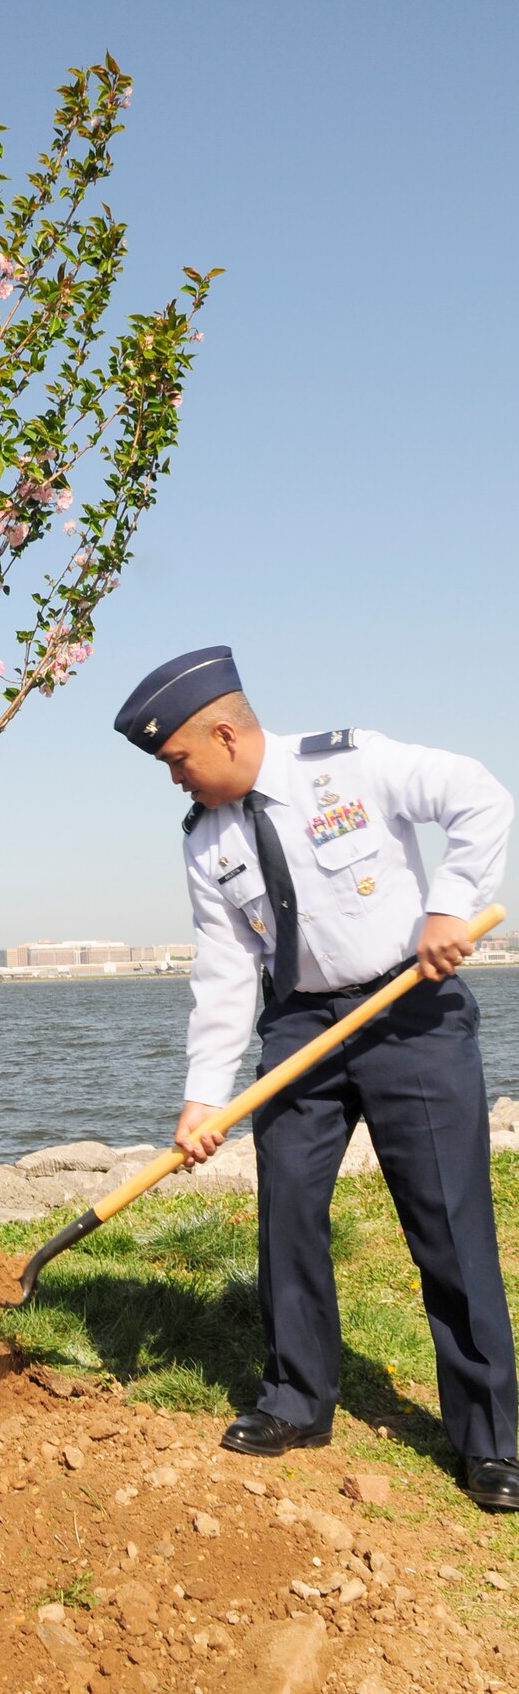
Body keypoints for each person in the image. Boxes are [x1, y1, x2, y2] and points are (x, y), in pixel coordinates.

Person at [114, 644, 518, 1511]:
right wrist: (202, 1093)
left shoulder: (352, 765)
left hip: (411, 1009)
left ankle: (491, 1440)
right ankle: (297, 1401)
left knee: (447, 1222)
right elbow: (224, 966)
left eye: (177, 760)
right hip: (298, 1025)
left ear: (223, 733)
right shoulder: (207, 840)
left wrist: (451, 901)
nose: (174, 779)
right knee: (287, 1209)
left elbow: (479, 796)